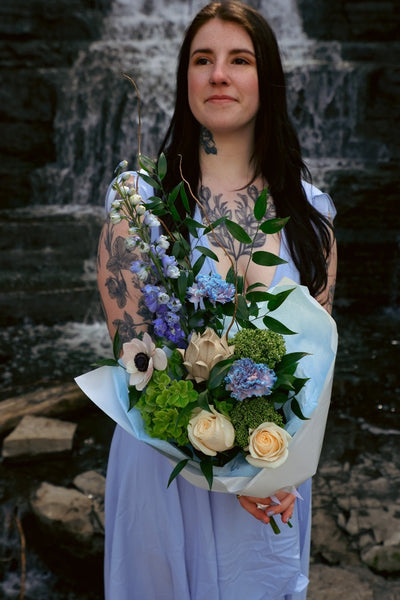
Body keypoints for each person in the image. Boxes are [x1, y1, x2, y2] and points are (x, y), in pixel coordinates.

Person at [97, 2, 337, 599]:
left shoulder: (313, 219)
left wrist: (276, 471)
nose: (219, 75)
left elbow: (315, 369)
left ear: (268, 79)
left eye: (239, 59)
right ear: (186, 79)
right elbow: (136, 360)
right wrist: (234, 473)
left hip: (271, 477)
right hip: (165, 473)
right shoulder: (140, 202)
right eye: (202, 60)